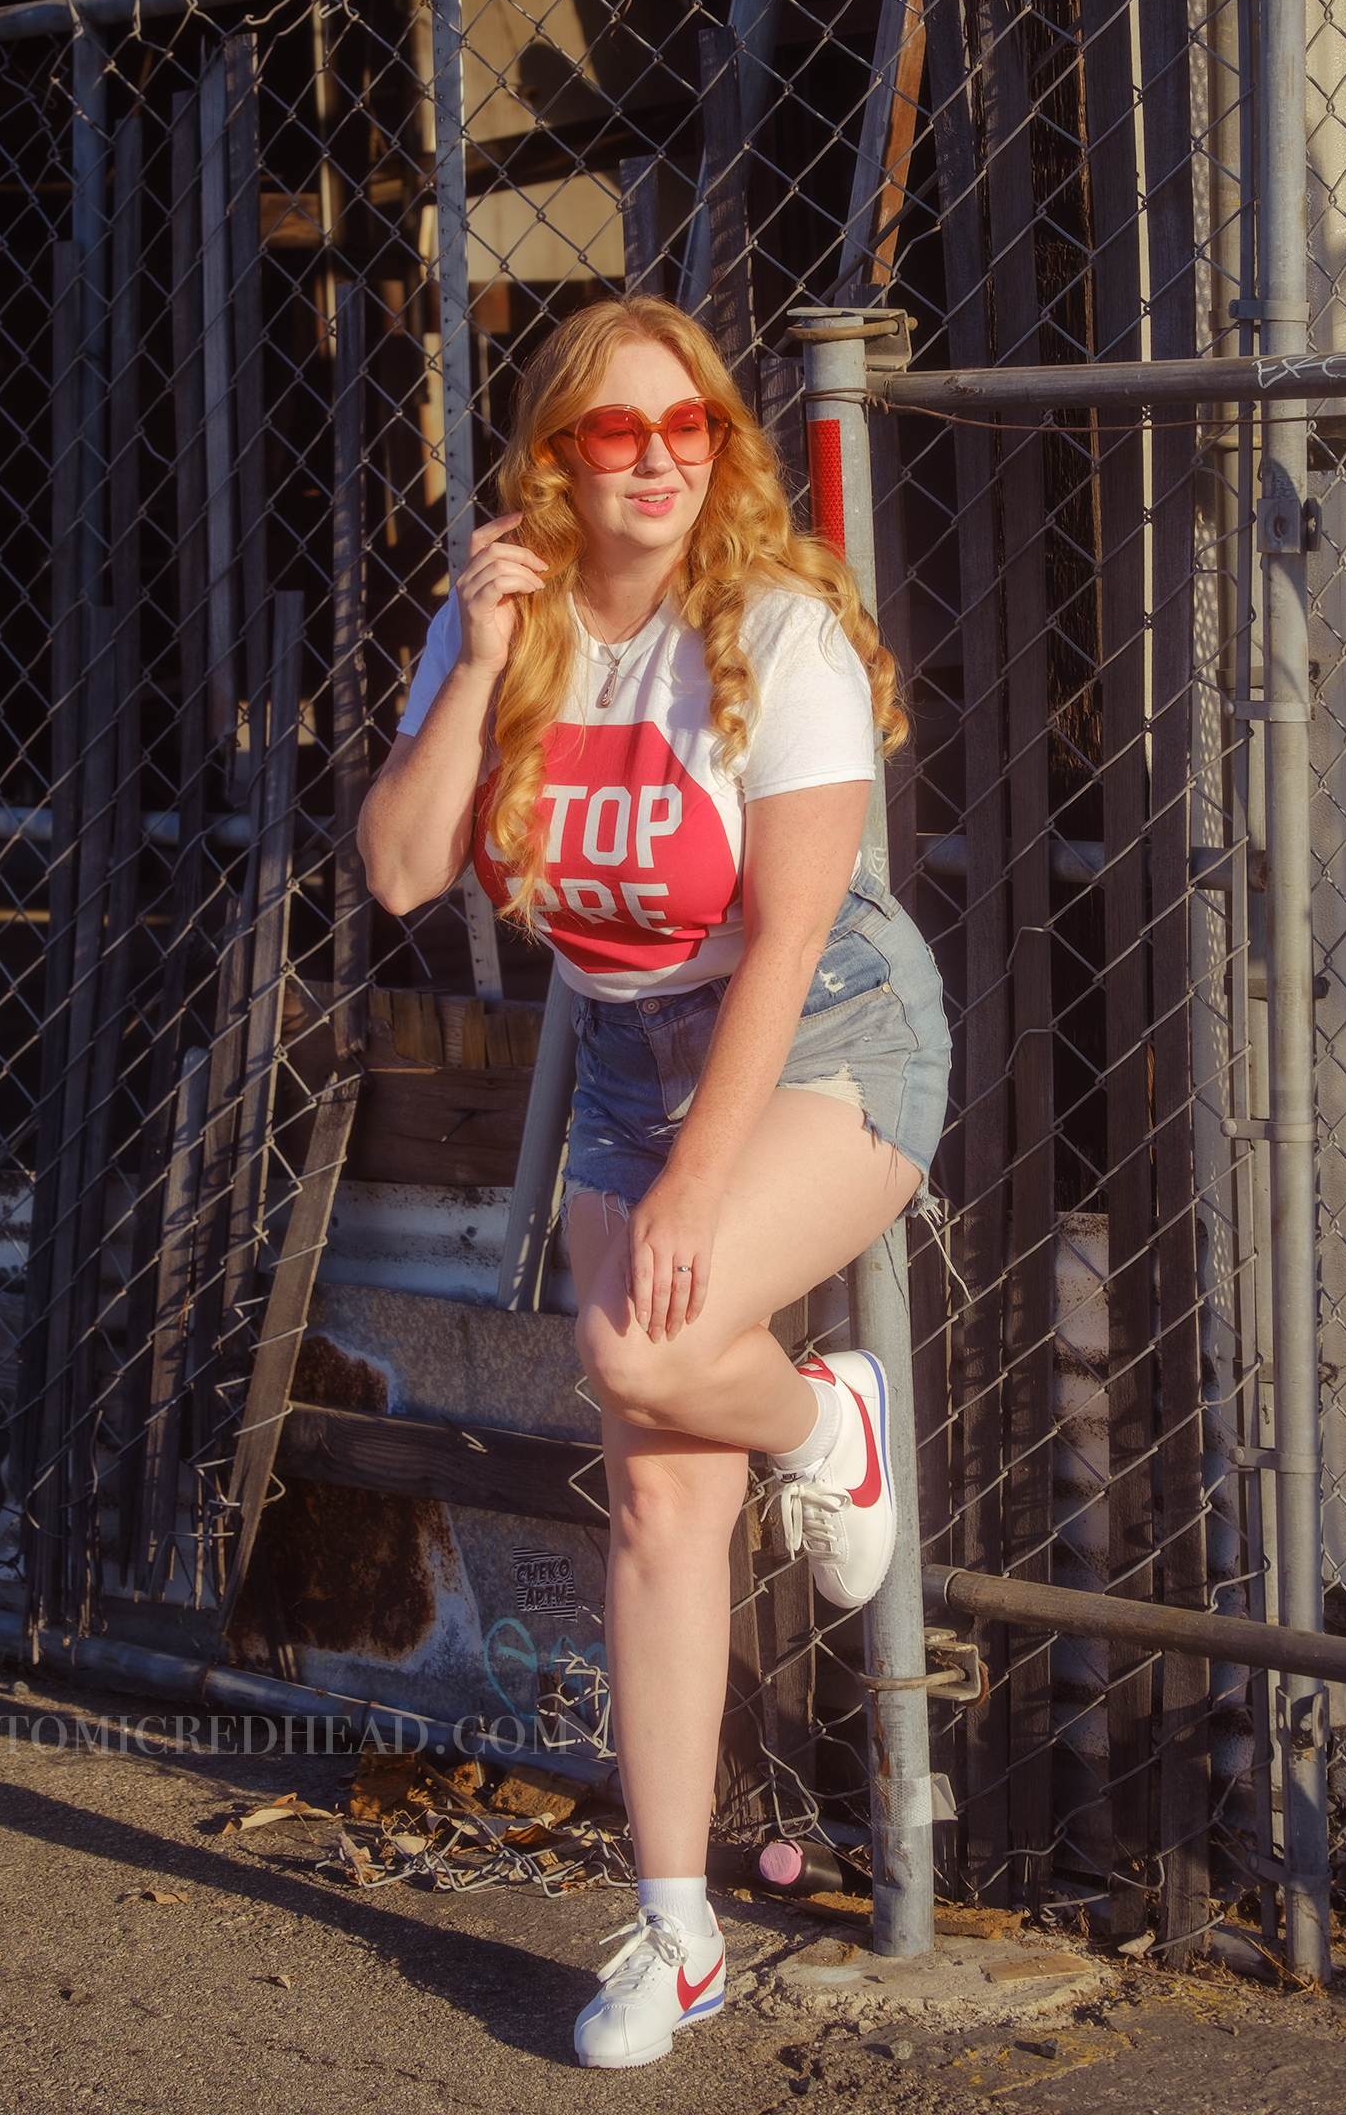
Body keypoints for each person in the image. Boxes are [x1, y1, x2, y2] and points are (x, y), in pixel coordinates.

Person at [357, 295, 950, 2071]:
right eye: (617, 434)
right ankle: (679, 1928)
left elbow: (779, 947)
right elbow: (399, 872)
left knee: (634, 1347)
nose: (660, 463)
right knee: (657, 1508)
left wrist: (698, 1191)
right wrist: (471, 667)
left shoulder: (775, 631)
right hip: (625, 1058)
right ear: (553, 459)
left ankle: (824, 1426)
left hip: (829, 1034)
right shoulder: (507, 635)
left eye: (688, 429)